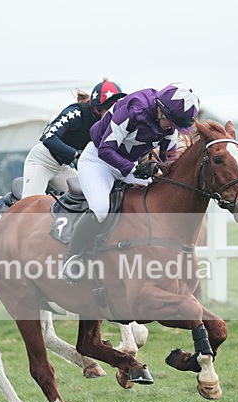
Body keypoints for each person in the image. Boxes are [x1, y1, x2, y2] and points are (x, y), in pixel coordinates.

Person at [59, 82, 199, 282]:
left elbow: (169, 160)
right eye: (171, 123)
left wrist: (159, 170)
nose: (171, 129)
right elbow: (106, 150)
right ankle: (71, 258)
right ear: (161, 111)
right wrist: (134, 169)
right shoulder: (133, 110)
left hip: (128, 165)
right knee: (100, 209)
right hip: (98, 161)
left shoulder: (169, 122)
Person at [21, 80, 126, 198]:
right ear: (97, 109)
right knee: (32, 205)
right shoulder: (76, 113)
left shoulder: (107, 123)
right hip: (42, 161)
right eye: (110, 109)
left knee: (89, 196)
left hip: (63, 167)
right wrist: (76, 154)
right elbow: (48, 137)